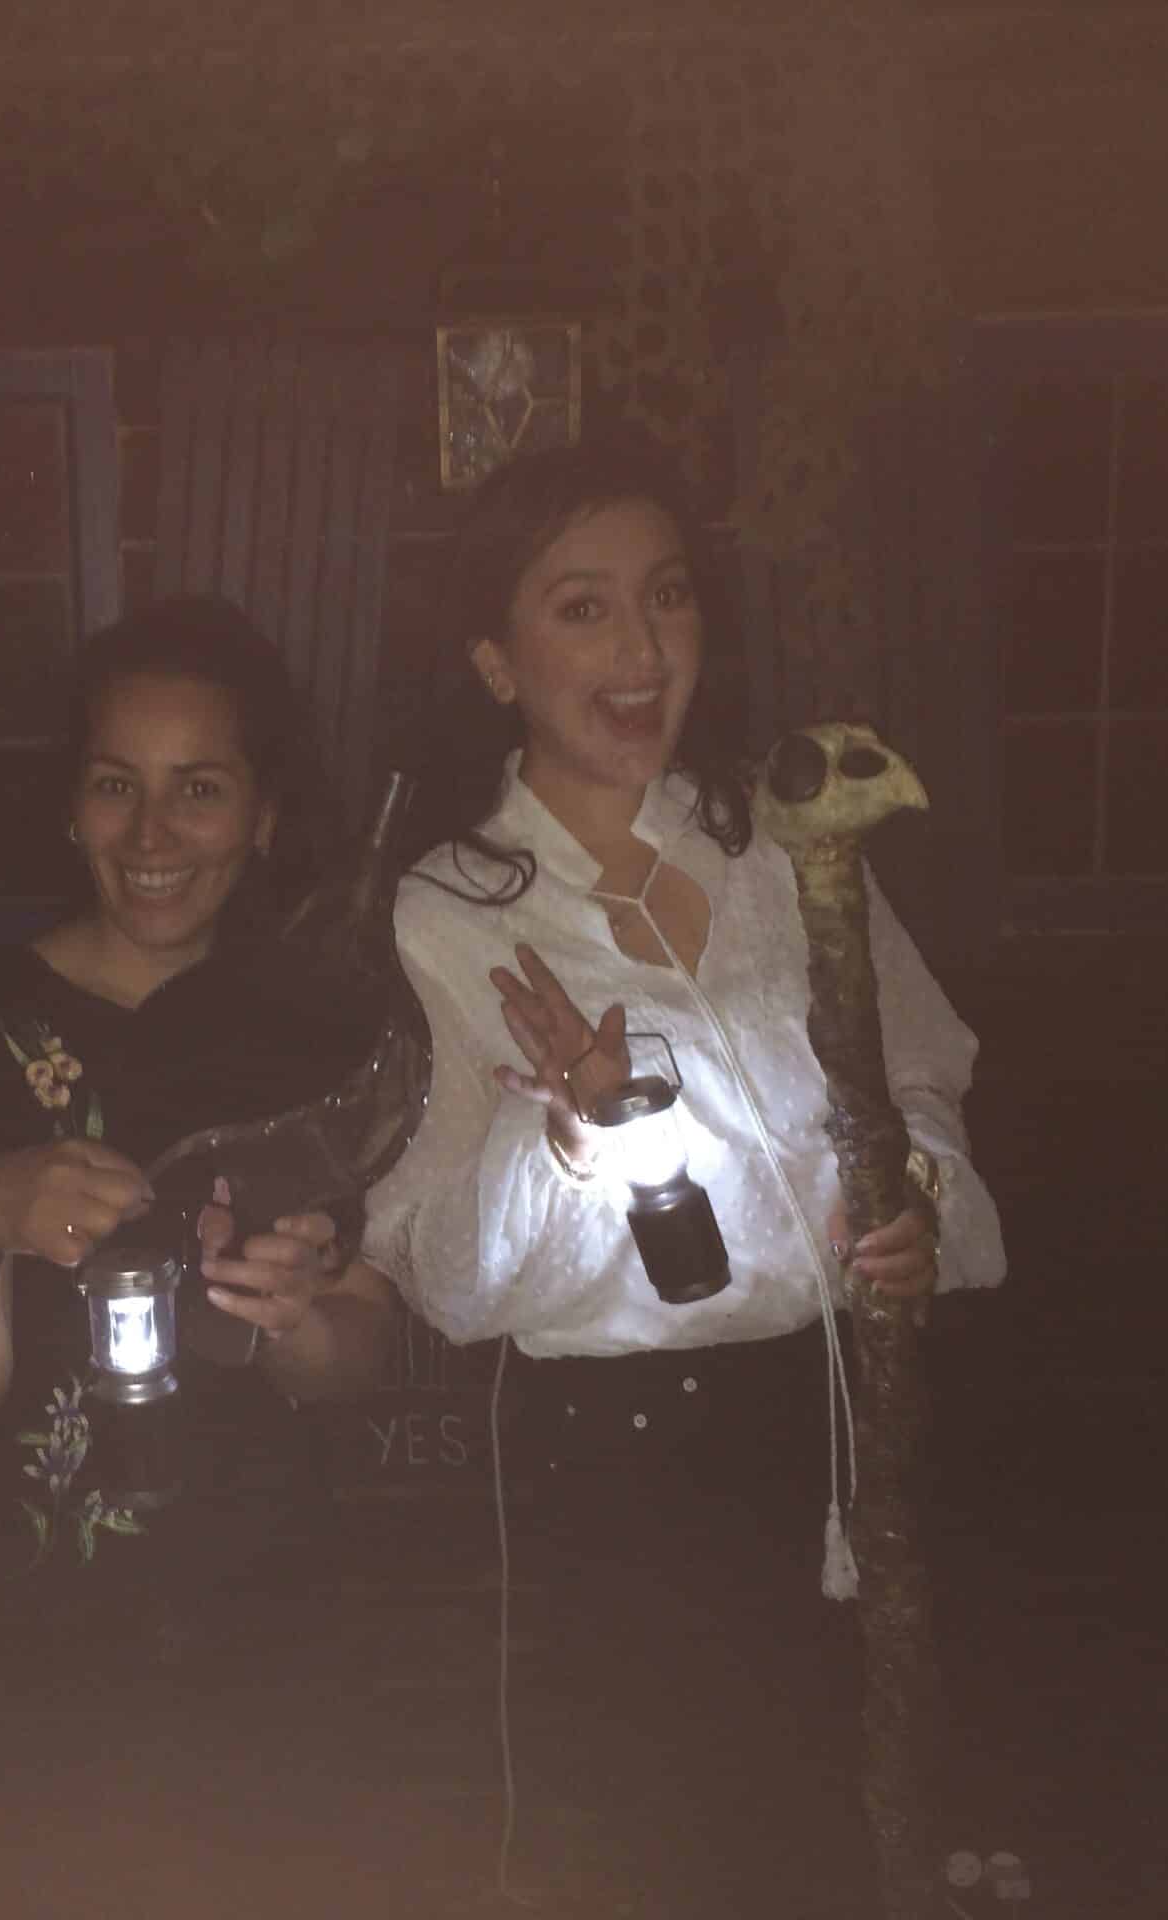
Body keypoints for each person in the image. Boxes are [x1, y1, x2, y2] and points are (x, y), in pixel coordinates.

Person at [361, 439, 1007, 1911]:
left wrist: (914, 1194)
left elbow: (917, 1069)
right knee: (657, 1856)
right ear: (495, 660)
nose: (643, 650)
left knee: (841, 1834)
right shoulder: (452, 911)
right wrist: (573, 1135)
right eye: (581, 608)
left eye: (666, 596)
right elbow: (434, 1264)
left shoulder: (777, 847)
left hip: (837, 1424)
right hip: (618, 1470)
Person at [0, 595, 398, 1660]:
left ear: (263, 816)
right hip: (20, 1626)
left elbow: (357, 1362)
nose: (151, 835)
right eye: (116, 785)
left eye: (199, 790)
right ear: (73, 807)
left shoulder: (320, 1032)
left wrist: (295, 1316)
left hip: (270, 1615)